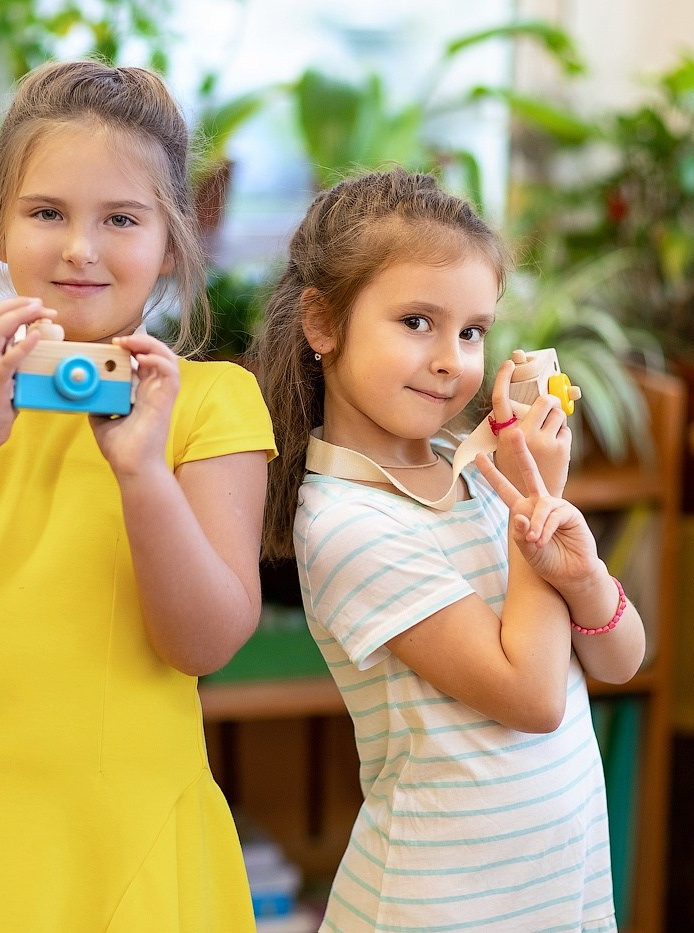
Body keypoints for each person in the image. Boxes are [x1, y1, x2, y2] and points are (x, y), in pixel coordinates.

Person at [0, 60, 276, 932]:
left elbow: (206, 640)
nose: (81, 247)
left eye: (121, 218)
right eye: (47, 212)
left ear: (171, 239)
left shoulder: (214, 402)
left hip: (133, 850)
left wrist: (142, 472)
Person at [252, 167, 646, 932]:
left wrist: (584, 572)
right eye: (416, 322)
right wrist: (536, 515)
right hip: (438, 904)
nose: (451, 359)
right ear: (322, 323)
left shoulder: (478, 469)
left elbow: (618, 659)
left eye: (472, 331)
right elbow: (531, 697)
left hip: (555, 888)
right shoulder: (345, 524)